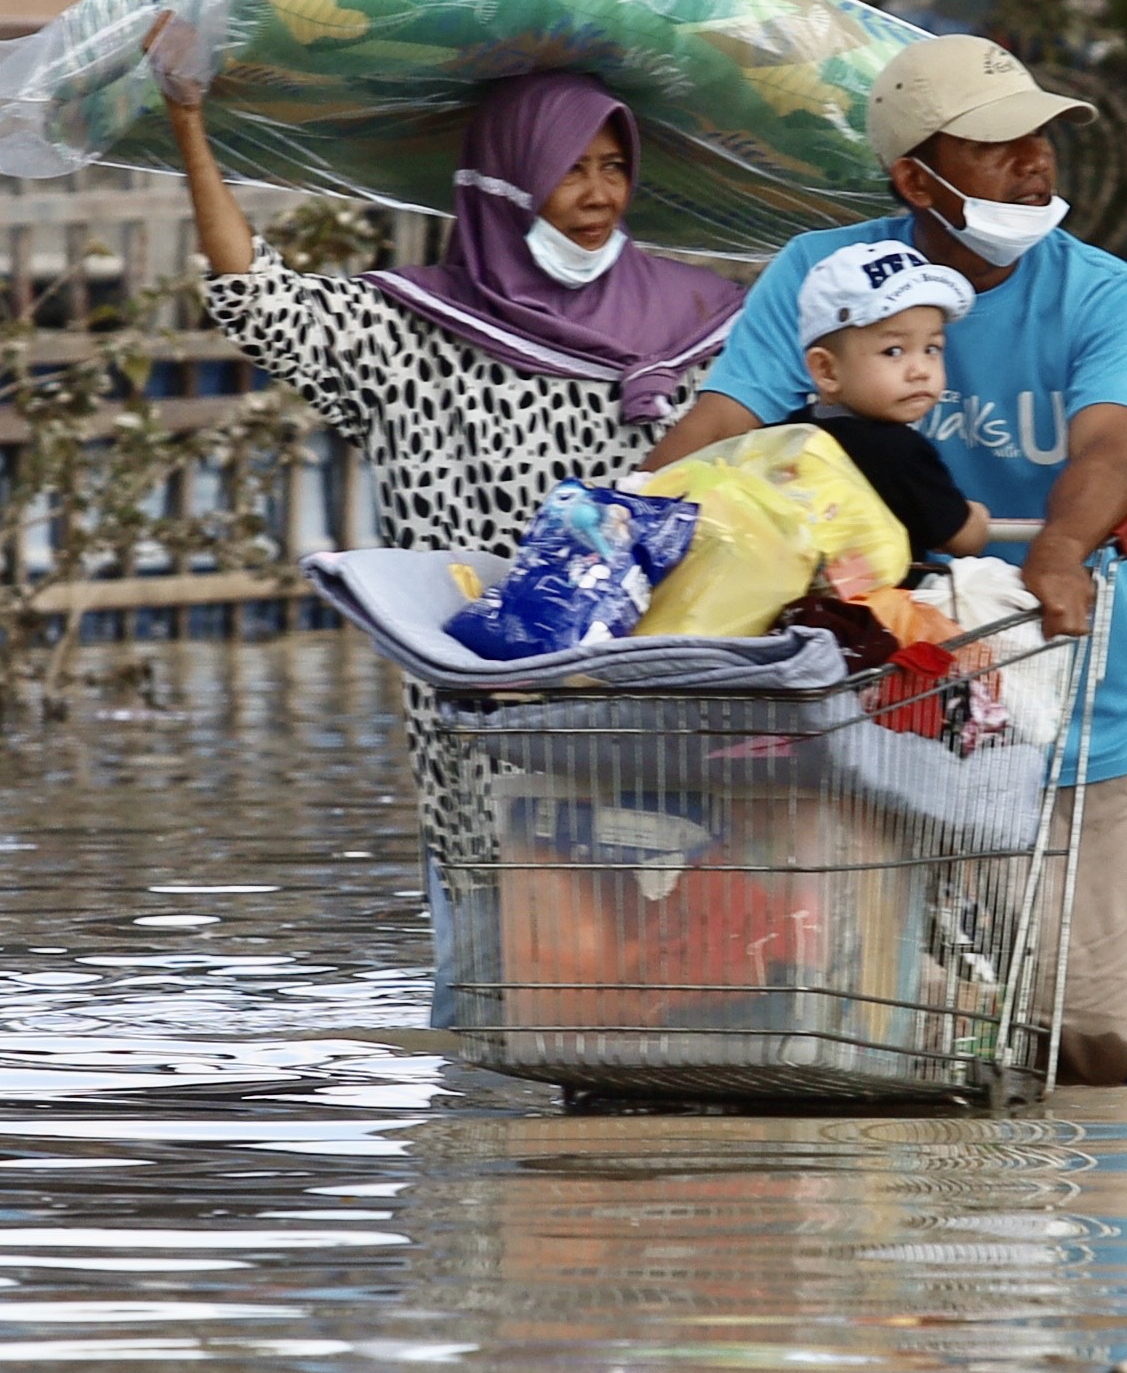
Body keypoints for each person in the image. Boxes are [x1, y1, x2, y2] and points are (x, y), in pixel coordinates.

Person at [159, 61, 745, 1024]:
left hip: (653, 685)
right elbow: (250, 297)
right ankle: (488, 1137)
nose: (598, 196)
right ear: (508, 180)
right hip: (479, 695)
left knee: (667, 954)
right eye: (571, 171)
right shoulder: (410, 328)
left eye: (614, 167)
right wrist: (189, 123)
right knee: (495, 965)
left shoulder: (698, 320)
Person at [645, 35, 1127, 1086]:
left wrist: (1063, 551)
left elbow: (1114, 441)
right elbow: (720, 427)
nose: (1034, 163)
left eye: (1041, 138)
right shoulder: (820, 277)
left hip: (1068, 706)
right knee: (838, 1034)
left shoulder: (1111, 296)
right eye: (997, 146)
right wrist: (623, 530)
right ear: (913, 177)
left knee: (1114, 1058)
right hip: (852, 713)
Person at [783, 238, 990, 559]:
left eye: (932, 348)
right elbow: (963, 540)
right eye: (893, 351)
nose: (920, 370)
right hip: (876, 607)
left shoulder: (791, 432)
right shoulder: (899, 452)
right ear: (826, 370)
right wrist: (976, 516)